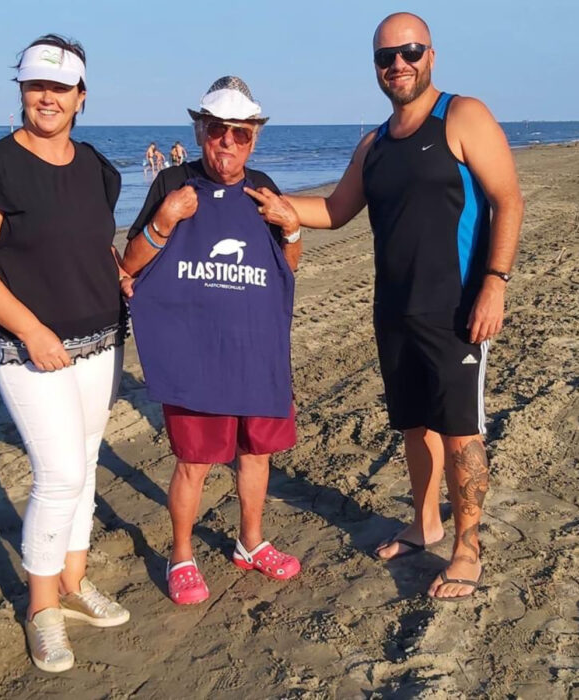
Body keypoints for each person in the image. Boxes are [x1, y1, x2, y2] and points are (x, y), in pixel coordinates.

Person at [247, 13, 524, 601]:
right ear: (375, 66)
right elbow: (337, 209)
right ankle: (425, 524)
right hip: (393, 311)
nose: (398, 64)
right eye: (385, 57)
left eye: (410, 51)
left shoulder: (462, 116)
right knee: (414, 425)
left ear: (430, 55)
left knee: (460, 432)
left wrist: (495, 283)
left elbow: (507, 200)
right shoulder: (373, 145)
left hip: (458, 309)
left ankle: (467, 548)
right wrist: (272, 204)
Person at [0, 34, 133, 672]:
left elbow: (91, 243)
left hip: (100, 341)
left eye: (59, 87)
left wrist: (119, 275)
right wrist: (31, 329)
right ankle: (42, 608)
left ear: (81, 96)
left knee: (83, 465)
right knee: (59, 476)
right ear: (22, 91)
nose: (46, 98)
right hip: (29, 350)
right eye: (35, 85)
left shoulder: (98, 168)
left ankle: (74, 584)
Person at [122, 76, 303, 605]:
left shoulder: (262, 186)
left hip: (254, 350)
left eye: (240, 133)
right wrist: (166, 217)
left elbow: (282, 273)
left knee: (255, 454)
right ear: (199, 130)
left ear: (255, 137)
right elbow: (132, 262)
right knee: (194, 462)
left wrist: (291, 229)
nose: (227, 142)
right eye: (217, 130)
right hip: (196, 353)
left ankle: (250, 542)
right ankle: (181, 554)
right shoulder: (173, 183)